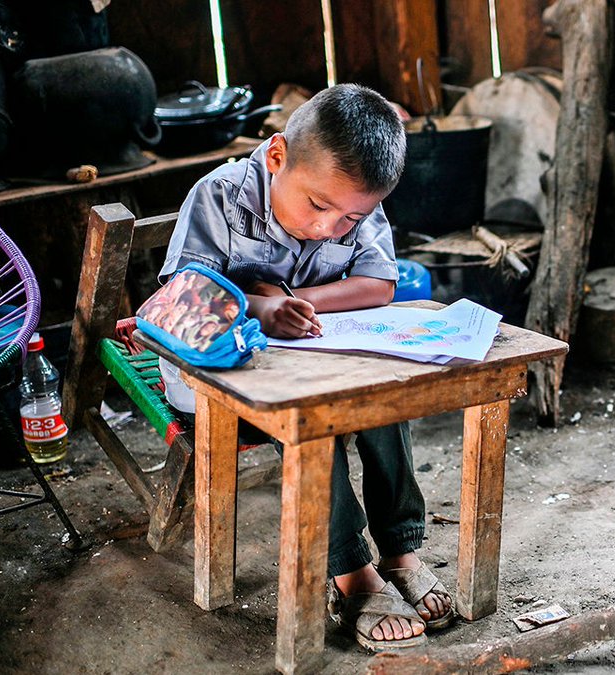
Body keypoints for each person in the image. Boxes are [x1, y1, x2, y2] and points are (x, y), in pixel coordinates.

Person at [157, 84, 452, 651]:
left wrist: (291, 296)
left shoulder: (354, 199)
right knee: (309, 419)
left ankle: (400, 549)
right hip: (213, 378)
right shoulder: (218, 196)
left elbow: (380, 284)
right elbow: (182, 298)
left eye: (350, 220)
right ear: (276, 157)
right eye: (318, 206)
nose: (328, 228)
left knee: (382, 398)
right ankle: (350, 571)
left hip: (310, 357)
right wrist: (261, 306)